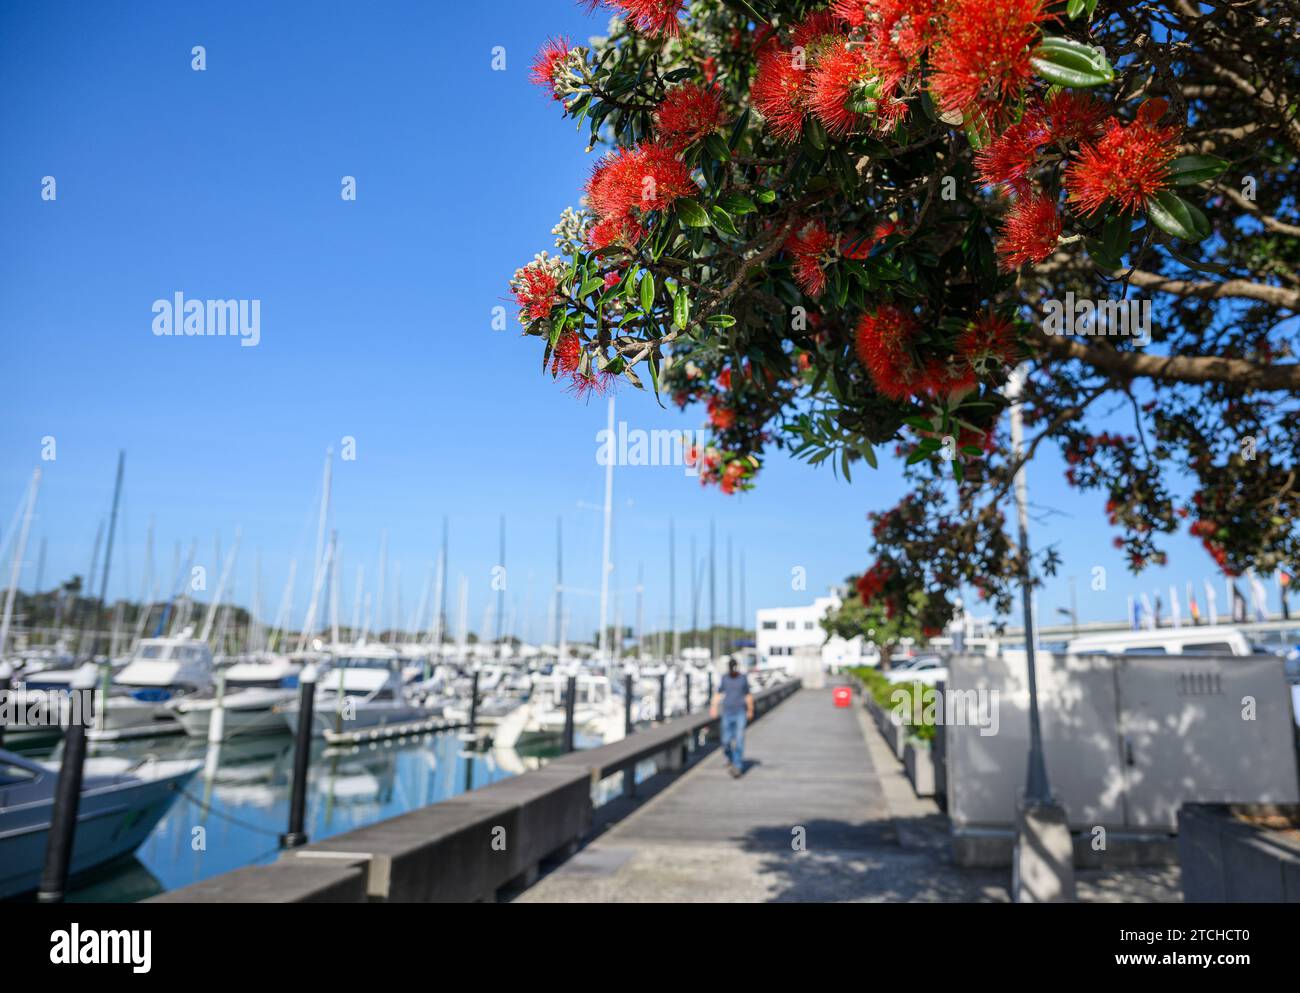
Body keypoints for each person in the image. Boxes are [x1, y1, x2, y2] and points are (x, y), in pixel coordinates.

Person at [710, 658, 754, 777]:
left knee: (739, 740)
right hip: (727, 713)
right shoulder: (725, 678)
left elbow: (748, 694)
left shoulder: (743, 678)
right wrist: (713, 707)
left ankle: (737, 766)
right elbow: (718, 693)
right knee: (725, 741)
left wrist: (750, 710)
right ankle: (731, 758)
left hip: (740, 712)